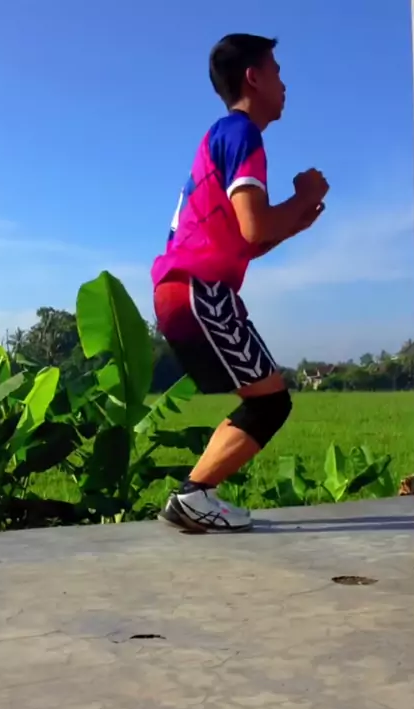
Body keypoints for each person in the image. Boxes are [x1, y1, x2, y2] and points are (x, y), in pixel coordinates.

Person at [152, 33, 329, 532]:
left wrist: (294, 220)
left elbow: (247, 241)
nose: (284, 83)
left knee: (265, 400)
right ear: (253, 77)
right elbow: (255, 228)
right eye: (277, 71)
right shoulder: (241, 133)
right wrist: (303, 196)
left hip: (186, 290)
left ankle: (195, 495)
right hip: (200, 289)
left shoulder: (224, 136)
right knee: (271, 401)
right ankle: (193, 496)